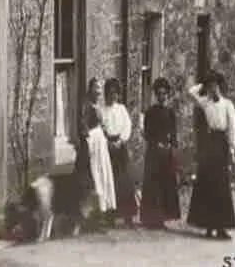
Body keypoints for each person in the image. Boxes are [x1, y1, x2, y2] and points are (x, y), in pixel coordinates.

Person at [186, 71, 235, 240]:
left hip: (221, 143)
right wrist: (202, 84)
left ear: (219, 87)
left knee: (221, 186)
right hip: (209, 144)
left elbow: (231, 128)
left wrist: (231, 149)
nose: (211, 90)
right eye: (209, 87)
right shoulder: (205, 103)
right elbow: (190, 93)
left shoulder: (227, 105)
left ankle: (221, 227)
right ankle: (208, 226)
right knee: (207, 183)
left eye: (214, 86)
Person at [140, 77, 181, 230]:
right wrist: (155, 142)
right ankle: (151, 218)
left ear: (167, 95)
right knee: (153, 185)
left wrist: (171, 144)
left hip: (166, 152)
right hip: (154, 152)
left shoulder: (171, 113)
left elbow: (174, 133)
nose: (162, 96)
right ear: (156, 95)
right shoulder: (150, 112)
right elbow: (147, 133)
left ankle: (163, 217)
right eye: (160, 93)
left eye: (165, 94)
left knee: (165, 185)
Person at [75, 78, 116, 218]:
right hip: (91, 145)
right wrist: (88, 138)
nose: (98, 91)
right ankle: (90, 212)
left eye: (100, 88)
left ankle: (102, 208)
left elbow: (101, 125)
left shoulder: (97, 105)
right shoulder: (86, 105)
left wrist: (105, 133)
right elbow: (83, 125)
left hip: (100, 144)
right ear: (90, 89)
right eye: (96, 88)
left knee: (103, 172)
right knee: (93, 175)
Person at [102, 78, 136, 225]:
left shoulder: (121, 109)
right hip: (107, 148)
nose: (113, 96)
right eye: (110, 93)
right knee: (110, 181)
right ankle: (111, 216)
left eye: (115, 93)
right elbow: (100, 129)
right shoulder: (101, 110)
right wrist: (108, 142)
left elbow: (127, 125)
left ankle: (128, 216)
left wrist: (121, 140)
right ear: (106, 94)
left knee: (125, 180)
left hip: (120, 147)